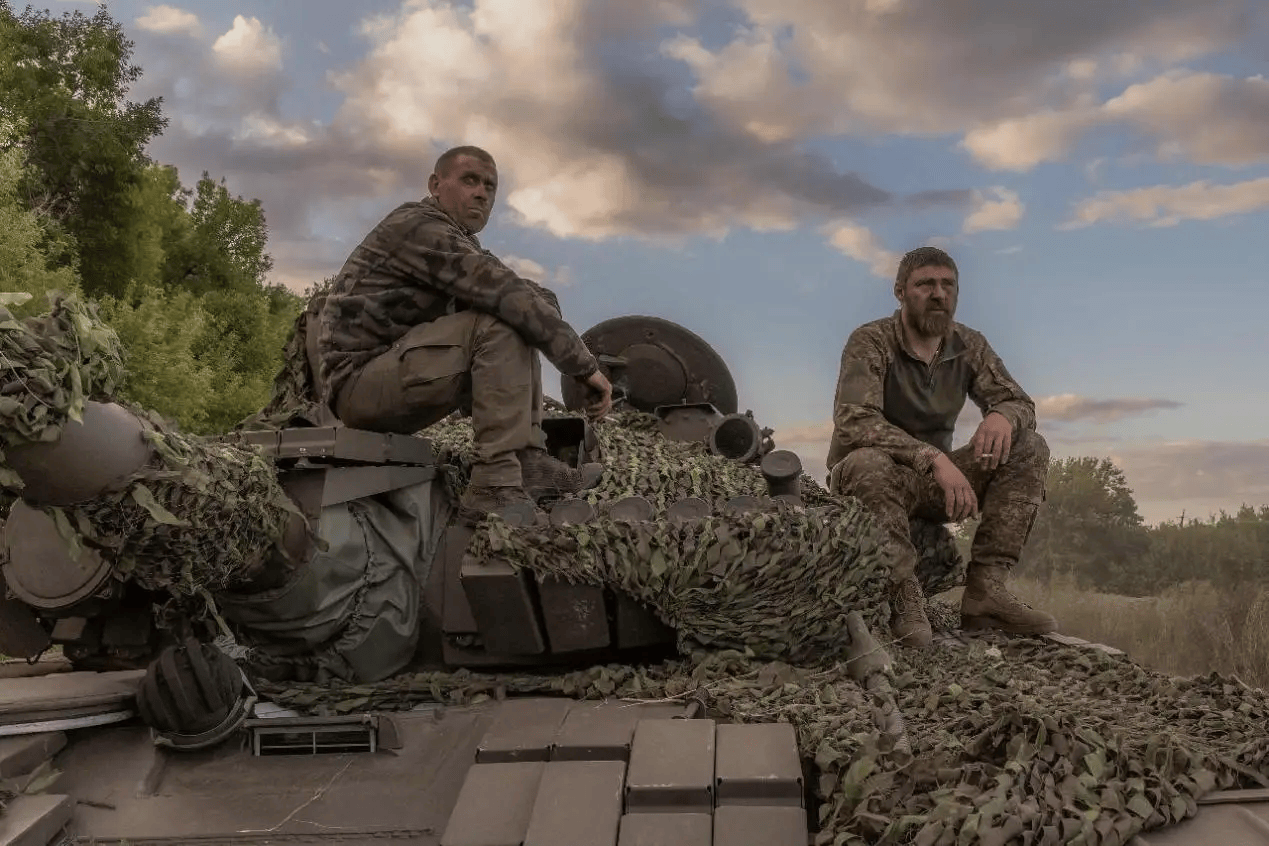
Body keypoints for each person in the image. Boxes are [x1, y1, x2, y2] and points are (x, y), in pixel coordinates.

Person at [316, 145, 613, 523]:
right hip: (359, 385)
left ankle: (527, 462)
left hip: (401, 373)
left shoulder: (458, 240)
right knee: (501, 316)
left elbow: (524, 295)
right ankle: (493, 484)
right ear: (435, 185)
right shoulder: (416, 226)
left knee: (536, 300)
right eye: (470, 180)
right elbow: (502, 292)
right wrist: (584, 367)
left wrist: (548, 313)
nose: (482, 193)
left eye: (490, 186)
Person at [827, 246, 1058, 648]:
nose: (938, 294)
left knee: (1028, 445)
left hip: (932, 484)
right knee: (867, 463)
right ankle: (903, 599)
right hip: (869, 482)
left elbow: (1019, 402)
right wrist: (930, 457)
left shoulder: (968, 345)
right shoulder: (870, 341)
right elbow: (855, 419)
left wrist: (1001, 416)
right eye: (925, 284)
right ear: (900, 291)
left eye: (947, 284)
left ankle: (987, 591)